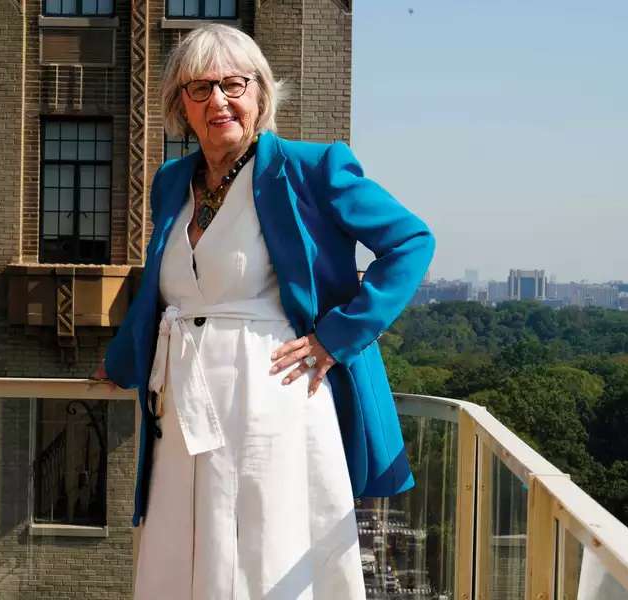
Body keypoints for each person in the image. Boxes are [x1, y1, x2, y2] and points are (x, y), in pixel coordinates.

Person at [91, 23, 435, 600]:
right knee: (183, 548)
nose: (218, 101)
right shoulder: (172, 182)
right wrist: (121, 361)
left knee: (261, 548)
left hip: (271, 391)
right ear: (181, 103)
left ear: (260, 93)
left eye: (233, 84)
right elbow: (169, 292)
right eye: (199, 89)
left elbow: (411, 242)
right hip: (181, 402)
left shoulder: (311, 168)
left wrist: (336, 337)